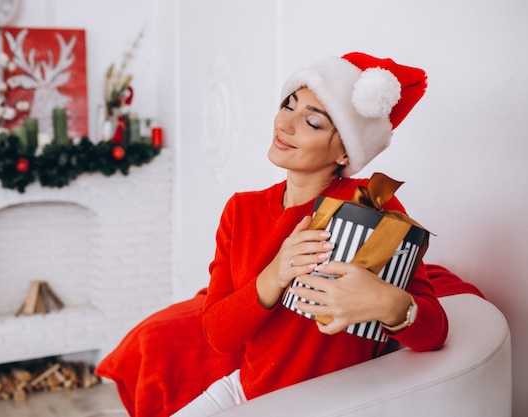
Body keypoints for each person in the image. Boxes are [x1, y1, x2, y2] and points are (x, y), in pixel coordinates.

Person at [171, 52, 449, 416]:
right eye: (288, 105)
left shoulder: (367, 203)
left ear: (345, 152)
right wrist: (275, 273)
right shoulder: (241, 209)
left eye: (312, 122)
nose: (284, 125)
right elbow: (218, 334)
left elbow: (434, 333)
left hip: (326, 402)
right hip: (245, 391)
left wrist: (387, 302)